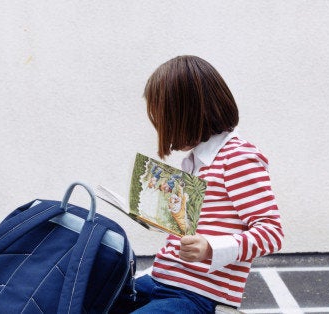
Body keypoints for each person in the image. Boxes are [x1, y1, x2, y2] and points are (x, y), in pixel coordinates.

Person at [116, 55, 283, 313]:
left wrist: (210, 247)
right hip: (163, 280)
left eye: (166, 122)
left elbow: (271, 232)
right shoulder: (192, 162)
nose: (164, 132)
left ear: (190, 114)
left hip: (200, 295)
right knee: (96, 299)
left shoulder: (238, 158)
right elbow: (188, 230)